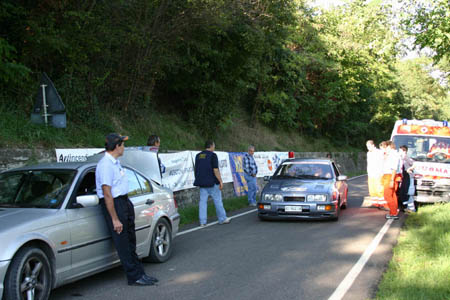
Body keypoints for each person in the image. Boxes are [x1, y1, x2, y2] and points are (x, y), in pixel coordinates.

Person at [96, 133, 158, 286]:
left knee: (131, 241)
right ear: (116, 146)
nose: (124, 147)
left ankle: (140, 273)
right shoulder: (105, 165)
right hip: (115, 204)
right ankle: (133, 276)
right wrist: (115, 219)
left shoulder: (115, 163)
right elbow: (107, 193)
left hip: (124, 202)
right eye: (122, 144)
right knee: (123, 243)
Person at [193, 141, 231, 227]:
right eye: (214, 145)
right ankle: (222, 218)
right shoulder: (213, 155)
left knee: (202, 202)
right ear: (211, 146)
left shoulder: (198, 156)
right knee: (217, 201)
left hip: (202, 183)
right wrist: (220, 181)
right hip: (212, 183)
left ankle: (202, 221)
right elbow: (215, 170)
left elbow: (196, 170)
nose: (214, 147)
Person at [381, 141, 402, 219]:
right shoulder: (393, 154)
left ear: (389, 146)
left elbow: (394, 168)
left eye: (386, 147)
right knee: (392, 195)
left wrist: (392, 180)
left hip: (390, 176)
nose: (385, 149)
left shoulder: (393, 155)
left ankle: (393, 213)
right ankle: (393, 211)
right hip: (389, 176)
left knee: (387, 195)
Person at [366, 140, 385, 208]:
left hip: (378, 173)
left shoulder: (379, 152)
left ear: (373, 145)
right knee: (372, 189)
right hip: (371, 173)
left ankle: (382, 203)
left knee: (379, 189)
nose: (368, 148)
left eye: (369, 146)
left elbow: (382, 162)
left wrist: (381, 172)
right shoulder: (368, 153)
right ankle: (375, 203)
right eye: (367, 146)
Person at [398, 145, 414, 211]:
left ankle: (411, 209)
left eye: (400, 150)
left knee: (406, 192)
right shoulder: (401, 158)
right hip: (403, 176)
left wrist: (410, 169)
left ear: (404, 151)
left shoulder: (406, 157)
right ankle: (406, 207)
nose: (399, 152)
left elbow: (413, 164)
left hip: (408, 176)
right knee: (402, 192)